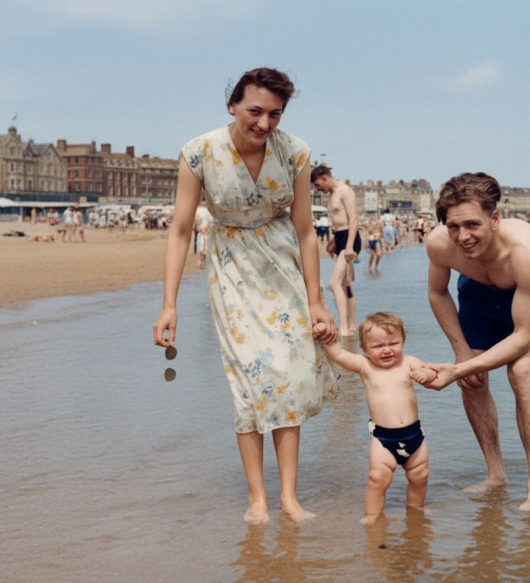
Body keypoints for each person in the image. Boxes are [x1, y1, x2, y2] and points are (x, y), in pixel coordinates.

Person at [152, 67, 339, 525]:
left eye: (275, 114)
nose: (264, 123)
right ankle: (258, 498)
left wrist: (316, 299)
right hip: (231, 268)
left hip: (283, 268)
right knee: (249, 384)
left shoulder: (295, 152)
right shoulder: (198, 153)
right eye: (254, 111)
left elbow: (304, 231)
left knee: (291, 376)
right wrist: (169, 303)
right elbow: (179, 231)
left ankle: (289, 498)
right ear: (232, 105)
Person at [422, 172, 530, 512]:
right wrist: (461, 353)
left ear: (495, 218)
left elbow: (522, 337)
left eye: (473, 224)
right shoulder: (440, 245)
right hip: (478, 291)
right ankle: (496, 475)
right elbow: (437, 293)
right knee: (473, 380)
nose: (463, 236)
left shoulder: (526, 252)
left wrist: (457, 369)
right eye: (454, 226)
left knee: (522, 369)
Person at [319, 312, 435, 525]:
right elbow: (338, 355)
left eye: (393, 343)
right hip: (384, 439)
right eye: (378, 346)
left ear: (403, 342)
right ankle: (373, 515)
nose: (387, 349)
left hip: (414, 436)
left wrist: (424, 375)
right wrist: (327, 335)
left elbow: (429, 372)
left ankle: (416, 509)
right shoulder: (365, 367)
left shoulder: (409, 362)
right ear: (364, 348)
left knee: (420, 477)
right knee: (377, 478)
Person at [312, 164, 361, 336]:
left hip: (350, 238)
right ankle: (353, 325)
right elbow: (340, 221)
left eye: (318, 185)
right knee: (346, 283)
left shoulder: (344, 190)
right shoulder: (332, 195)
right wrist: (333, 240)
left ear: (325, 178)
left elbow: (353, 219)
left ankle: (344, 327)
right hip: (340, 237)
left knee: (334, 283)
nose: (318, 189)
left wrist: (349, 246)